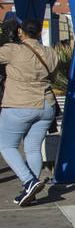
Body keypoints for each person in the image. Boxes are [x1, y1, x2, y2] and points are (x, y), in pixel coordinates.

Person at [1, 19, 58, 206]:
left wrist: (5, 38)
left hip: (20, 105)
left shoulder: (13, 50)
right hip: (46, 106)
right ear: (40, 33)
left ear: (20, 31)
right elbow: (54, 77)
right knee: (33, 148)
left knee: (6, 146)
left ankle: (29, 181)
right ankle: (30, 192)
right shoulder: (51, 53)